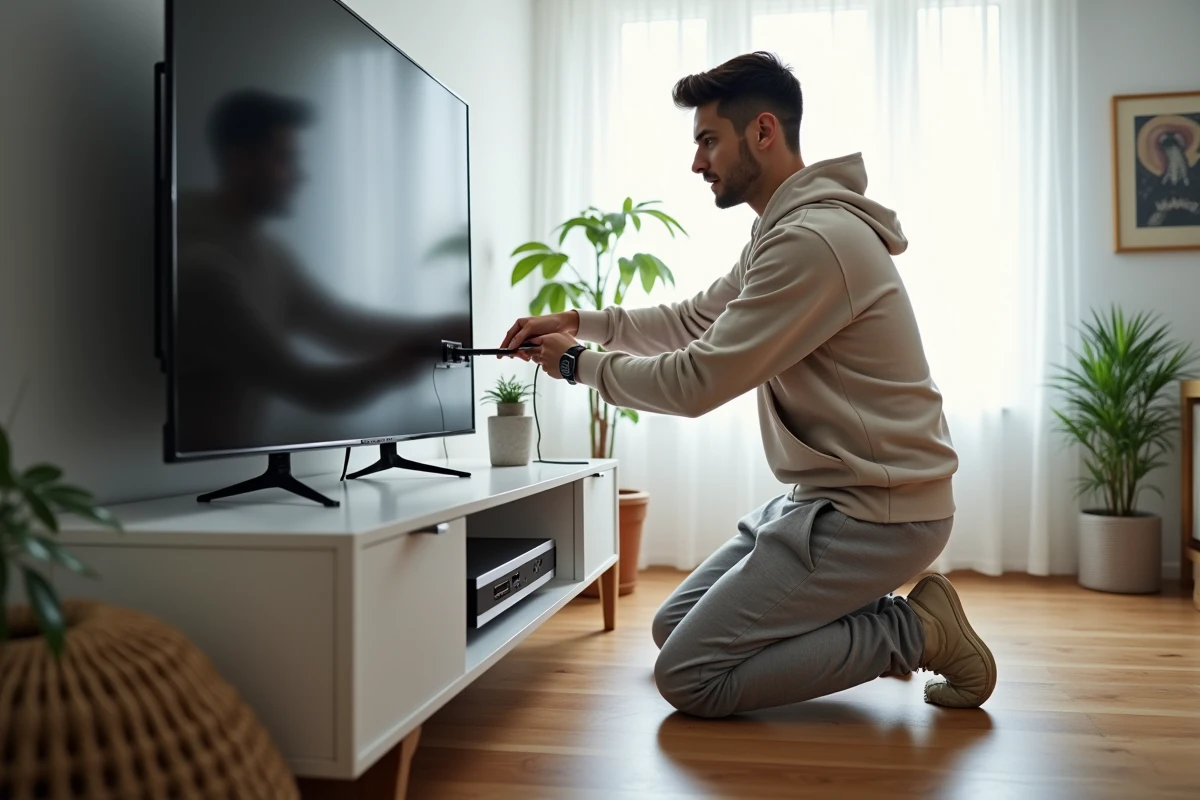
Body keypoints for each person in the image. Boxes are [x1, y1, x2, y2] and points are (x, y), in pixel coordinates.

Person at [500, 52, 996, 716]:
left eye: (708, 139)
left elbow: (696, 382)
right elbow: (691, 320)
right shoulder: (781, 231)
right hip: (828, 498)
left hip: (877, 513)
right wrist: (580, 323)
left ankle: (915, 630)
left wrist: (574, 364)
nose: (697, 162)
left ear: (762, 131)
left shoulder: (813, 242)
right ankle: (881, 613)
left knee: (691, 679)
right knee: (672, 629)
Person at [175, 89, 433, 453]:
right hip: (192, 483)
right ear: (240, 161)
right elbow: (306, 385)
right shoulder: (202, 263)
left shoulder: (266, 251)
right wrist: (394, 366)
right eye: (285, 160)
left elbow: (343, 329)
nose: (299, 176)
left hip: (227, 472)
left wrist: (446, 331)